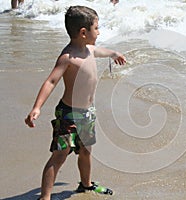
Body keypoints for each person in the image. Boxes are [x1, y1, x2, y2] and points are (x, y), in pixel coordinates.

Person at [25, 5, 126, 200]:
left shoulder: (88, 49)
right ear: (83, 32)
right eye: (96, 28)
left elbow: (99, 51)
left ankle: (86, 184)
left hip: (87, 114)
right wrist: (37, 107)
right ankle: (45, 197)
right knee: (60, 155)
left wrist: (113, 53)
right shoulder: (68, 57)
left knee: (86, 151)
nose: (99, 31)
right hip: (69, 114)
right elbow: (51, 81)